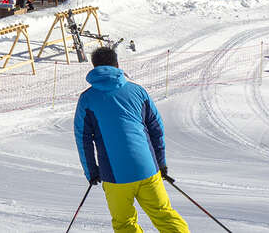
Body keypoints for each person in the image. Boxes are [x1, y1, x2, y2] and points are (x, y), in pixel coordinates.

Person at [76, 47, 189, 233]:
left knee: (124, 223)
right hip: (147, 169)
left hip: (114, 175)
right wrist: (160, 162)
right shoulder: (138, 91)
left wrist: (92, 172)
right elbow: (156, 129)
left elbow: (83, 138)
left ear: (94, 66)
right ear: (117, 64)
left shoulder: (87, 99)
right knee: (164, 215)